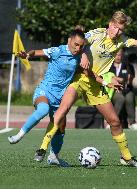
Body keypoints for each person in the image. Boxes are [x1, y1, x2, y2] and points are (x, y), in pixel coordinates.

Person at [35, 10, 137, 168]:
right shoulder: (97, 34)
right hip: (80, 79)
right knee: (62, 110)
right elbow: (79, 41)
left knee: (115, 122)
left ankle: (126, 158)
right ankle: (43, 148)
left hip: (97, 85)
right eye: (116, 28)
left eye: (121, 30)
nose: (118, 32)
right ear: (110, 24)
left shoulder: (121, 41)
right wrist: (83, 55)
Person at [8, 28, 87, 166]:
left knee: (61, 126)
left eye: (81, 46)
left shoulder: (79, 56)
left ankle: (53, 156)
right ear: (69, 41)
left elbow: (83, 70)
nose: (78, 48)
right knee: (43, 109)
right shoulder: (57, 51)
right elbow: (36, 52)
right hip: (45, 91)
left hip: (60, 98)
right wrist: (27, 54)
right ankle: (19, 135)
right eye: (76, 44)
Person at [106, 49, 137, 130]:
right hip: (113, 90)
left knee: (130, 97)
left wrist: (129, 79)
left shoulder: (128, 66)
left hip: (126, 89)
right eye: (116, 55)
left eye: (120, 55)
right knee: (120, 98)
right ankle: (112, 122)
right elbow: (107, 77)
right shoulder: (108, 66)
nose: (118, 57)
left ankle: (132, 122)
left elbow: (129, 80)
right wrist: (117, 79)